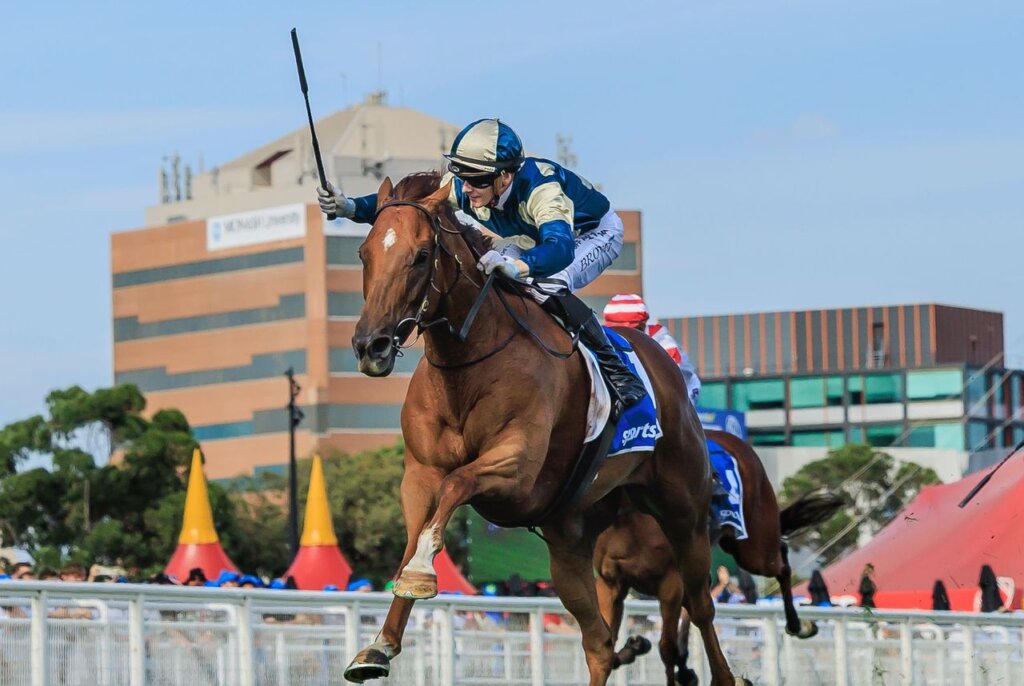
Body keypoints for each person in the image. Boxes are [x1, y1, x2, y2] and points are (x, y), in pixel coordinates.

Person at [317, 118, 647, 408]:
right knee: (490, 275)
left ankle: (615, 369)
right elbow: (406, 208)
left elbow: (560, 250)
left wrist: (519, 267)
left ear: (505, 177)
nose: (466, 187)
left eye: (476, 179)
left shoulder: (543, 192)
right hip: (531, 239)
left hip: (589, 234)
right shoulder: (470, 187)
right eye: (462, 176)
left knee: (548, 283)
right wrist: (346, 206)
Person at [602, 293, 701, 402]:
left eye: (632, 330)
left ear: (643, 325)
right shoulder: (605, 337)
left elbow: (668, 378)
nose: (625, 336)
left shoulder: (661, 340)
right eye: (616, 331)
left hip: (683, 385)